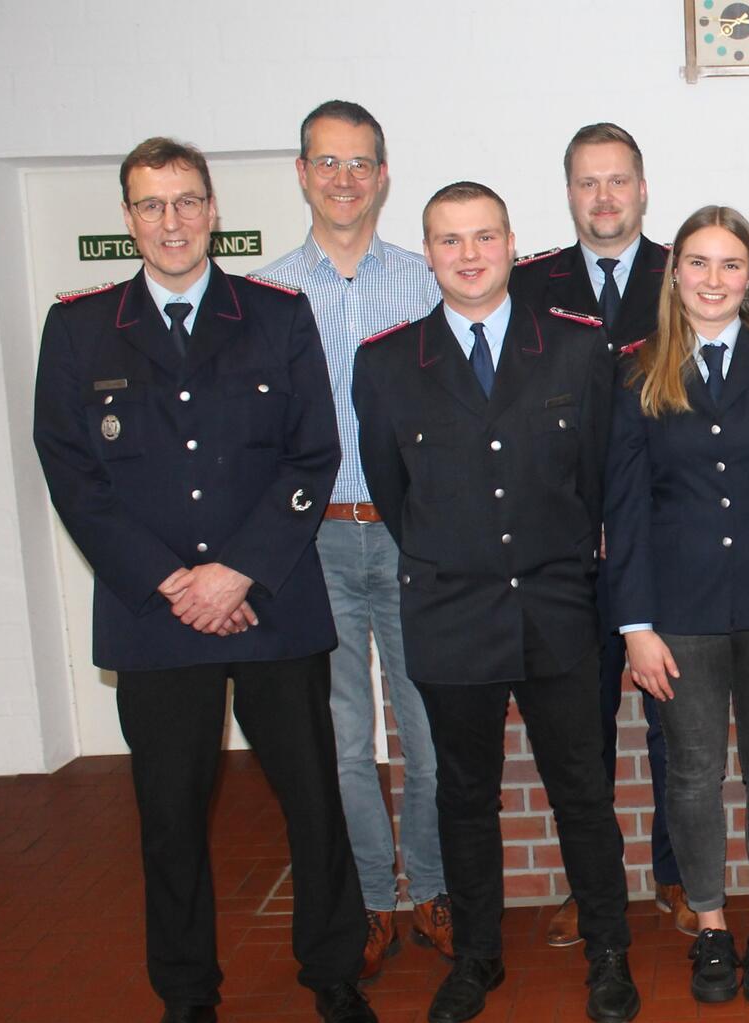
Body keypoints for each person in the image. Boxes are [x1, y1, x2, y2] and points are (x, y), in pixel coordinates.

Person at [33, 137, 379, 1023]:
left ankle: (335, 975)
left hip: (271, 602)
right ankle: (186, 1000)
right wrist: (172, 582)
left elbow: (312, 456)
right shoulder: (77, 330)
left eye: (187, 202)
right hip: (154, 619)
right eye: (151, 206)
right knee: (171, 818)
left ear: (213, 207)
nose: (172, 222)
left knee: (315, 799)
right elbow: (74, 479)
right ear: (129, 218)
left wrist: (239, 573)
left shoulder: (275, 315)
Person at [352, 181, 640, 1023]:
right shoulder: (388, 362)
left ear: (513, 242)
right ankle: (477, 957)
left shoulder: (579, 350)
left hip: (556, 609)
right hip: (450, 615)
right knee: (462, 797)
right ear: (430, 251)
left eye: (484, 237)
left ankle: (610, 954)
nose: (469, 254)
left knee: (582, 793)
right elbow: (394, 492)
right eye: (450, 240)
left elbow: (595, 480)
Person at [606, 205, 749, 1004]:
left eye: (730, 264)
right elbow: (626, 508)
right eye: (698, 263)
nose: (714, 279)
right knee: (694, 775)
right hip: (678, 616)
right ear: (676, 276)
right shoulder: (639, 371)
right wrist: (634, 626)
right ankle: (710, 928)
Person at [258, 100, 450, 977]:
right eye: (327, 163)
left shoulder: (425, 284)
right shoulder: (260, 298)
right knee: (340, 741)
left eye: (361, 163)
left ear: (384, 175)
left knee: (429, 730)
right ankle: (373, 900)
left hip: (414, 541)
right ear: (302, 173)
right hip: (315, 546)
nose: (344, 179)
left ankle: (435, 891)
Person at [510, 122, 693, 942]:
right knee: (580, 731)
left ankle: (678, 878)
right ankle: (595, 890)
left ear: (643, 189)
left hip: (665, 546)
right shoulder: (528, 284)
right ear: (570, 193)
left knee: (674, 728)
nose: (605, 197)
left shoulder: (686, 273)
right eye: (589, 183)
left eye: (618, 181)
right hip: (569, 556)